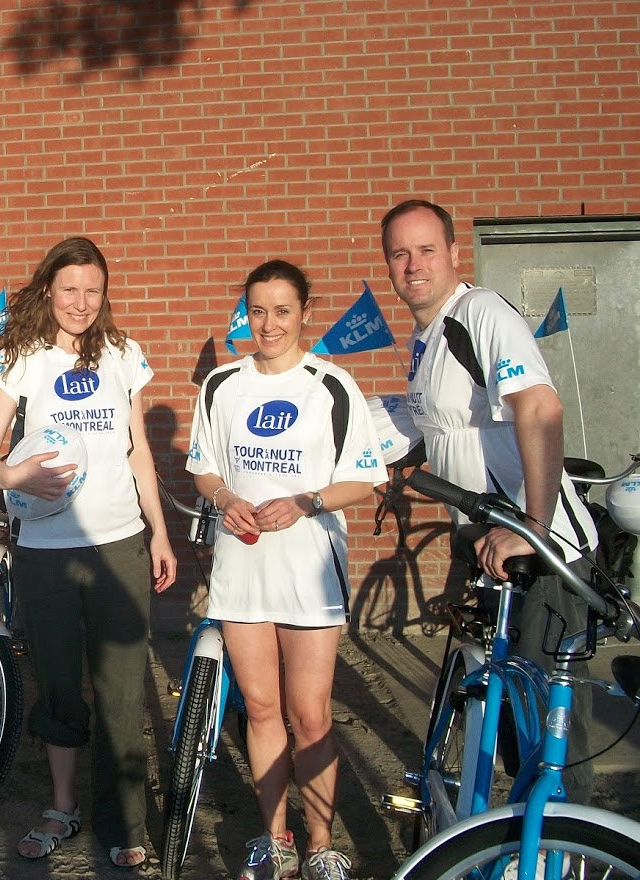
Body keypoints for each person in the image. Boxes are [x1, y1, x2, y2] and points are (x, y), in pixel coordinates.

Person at [380, 198, 599, 805]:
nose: (413, 265)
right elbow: (440, 430)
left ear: (455, 254)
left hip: (541, 550)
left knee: (550, 732)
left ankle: (562, 852)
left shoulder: (479, 313)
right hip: (488, 546)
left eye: (426, 250)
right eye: (399, 253)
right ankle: (517, 846)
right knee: (508, 723)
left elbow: (540, 407)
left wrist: (532, 524)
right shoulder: (426, 339)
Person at [0, 237, 177, 868]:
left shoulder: (123, 354)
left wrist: (159, 531)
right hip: (46, 551)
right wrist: (12, 477)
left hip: (119, 545)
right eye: (69, 290)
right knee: (59, 686)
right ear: (47, 291)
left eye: (93, 290)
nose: (81, 303)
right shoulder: (20, 358)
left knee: (120, 690)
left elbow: (139, 449)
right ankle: (62, 808)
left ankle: (125, 824)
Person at [187, 259, 385, 880]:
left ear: (304, 314)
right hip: (242, 569)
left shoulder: (331, 385)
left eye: (282, 310)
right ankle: (276, 840)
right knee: (261, 707)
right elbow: (204, 468)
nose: (268, 324)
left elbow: (365, 479)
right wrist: (224, 499)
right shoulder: (221, 384)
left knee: (311, 715)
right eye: (258, 310)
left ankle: (323, 844)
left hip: (309, 573)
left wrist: (307, 502)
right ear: (245, 312)